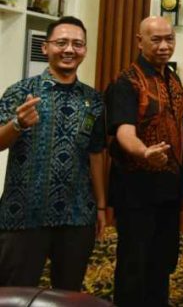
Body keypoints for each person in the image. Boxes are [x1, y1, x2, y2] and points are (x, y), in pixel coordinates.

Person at [0, 16, 105, 291]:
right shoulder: (20, 92)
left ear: (84, 49)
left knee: (68, 295)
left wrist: (101, 206)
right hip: (23, 214)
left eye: (77, 44)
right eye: (61, 42)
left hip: (77, 215)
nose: (69, 49)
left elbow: (96, 154)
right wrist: (18, 123)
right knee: (15, 294)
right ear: (45, 47)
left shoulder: (93, 100)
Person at [105, 16, 183, 307]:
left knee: (162, 264)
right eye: (156, 40)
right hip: (137, 192)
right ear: (140, 42)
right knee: (134, 266)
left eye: (169, 39)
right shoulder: (126, 82)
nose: (164, 46)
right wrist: (144, 152)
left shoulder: (173, 78)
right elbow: (123, 132)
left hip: (168, 190)